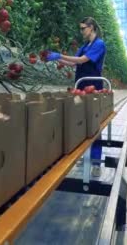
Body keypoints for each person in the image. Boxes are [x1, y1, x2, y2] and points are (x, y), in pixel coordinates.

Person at [46, 17, 106, 177]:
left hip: (93, 86)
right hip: (80, 86)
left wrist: (60, 55)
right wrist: (56, 58)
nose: (81, 32)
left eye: (83, 28)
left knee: (94, 123)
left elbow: (82, 60)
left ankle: (96, 161)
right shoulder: (84, 46)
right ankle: (82, 155)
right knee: (80, 121)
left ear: (91, 27)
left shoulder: (99, 44)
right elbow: (74, 64)